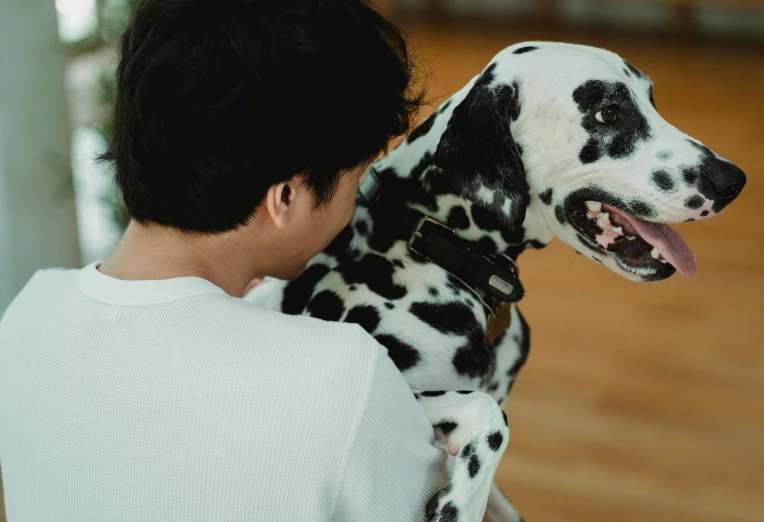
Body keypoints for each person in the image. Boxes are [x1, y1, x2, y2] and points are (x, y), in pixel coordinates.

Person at [0, 1, 448, 521]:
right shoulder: (345, 376)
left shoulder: (24, 320)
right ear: (286, 196)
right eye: (357, 178)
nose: (357, 202)